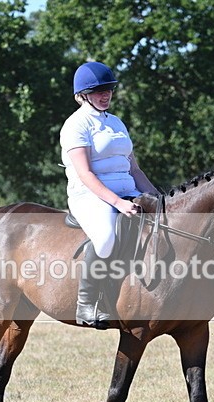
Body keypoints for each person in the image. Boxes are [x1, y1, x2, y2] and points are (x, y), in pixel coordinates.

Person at [60, 61, 159, 329]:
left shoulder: (116, 123)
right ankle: (87, 302)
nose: (105, 95)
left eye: (109, 90)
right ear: (82, 95)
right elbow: (86, 174)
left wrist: (156, 196)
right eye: (98, 91)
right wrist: (118, 203)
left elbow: (134, 168)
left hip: (128, 189)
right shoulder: (75, 125)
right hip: (89, 194)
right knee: (105, 237)